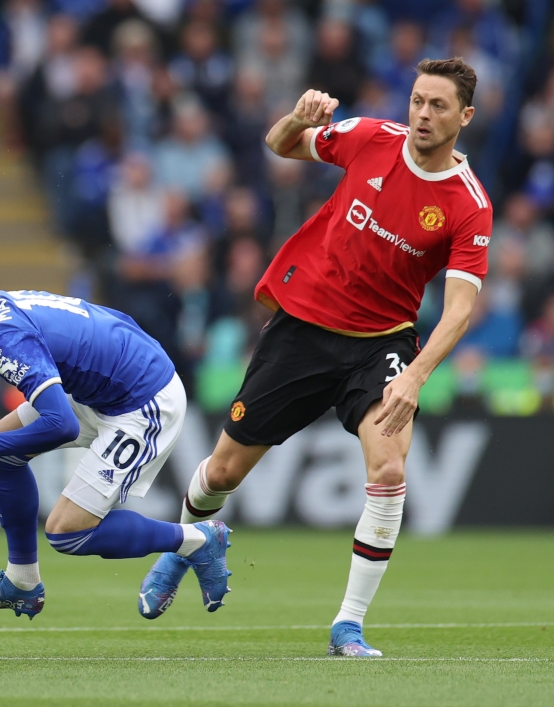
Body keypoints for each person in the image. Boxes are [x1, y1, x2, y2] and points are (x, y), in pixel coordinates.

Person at [141, 57, 493, 657]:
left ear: (466, 116)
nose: (422, 115)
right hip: (303, 328)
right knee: (223, 472)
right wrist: (294, 117)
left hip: (381, 343)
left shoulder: (468, 204)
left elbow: (460, 308)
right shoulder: (370, 138)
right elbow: (281, 145)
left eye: (437, 106)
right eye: (417, 101)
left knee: (389, 470)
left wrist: (416, 374)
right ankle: (186, 545)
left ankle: (348, 625)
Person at [0, 290, 231, 619]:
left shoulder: (7, 340)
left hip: (143, 401)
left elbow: (61, 424)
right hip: (103, 384)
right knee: (4, 454)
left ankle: (198, 540)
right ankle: (21, 583)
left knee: (67, 533)